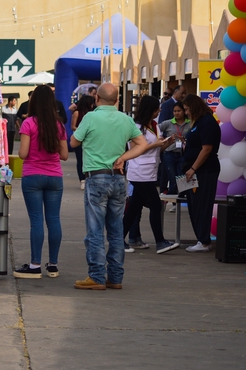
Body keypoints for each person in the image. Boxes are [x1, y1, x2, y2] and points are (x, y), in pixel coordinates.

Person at [70, 83, 149, 290]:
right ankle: (115, 277)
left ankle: (96, 276)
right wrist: (123, 156)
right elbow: (142, 144)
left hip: (96, 178)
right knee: (116, 230)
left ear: (97, 99)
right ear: (117, 100)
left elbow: (74, 143)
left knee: (95, 231)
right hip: (119, 179)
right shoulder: (125, 119)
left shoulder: (90, 118)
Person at [13, 85, 69, 279]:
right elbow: (64, 155)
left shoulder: (28, 123)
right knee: (54, 220)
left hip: (32, 177)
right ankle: (53, 265)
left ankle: (35, 265)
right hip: (54, 177)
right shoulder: (59, 125)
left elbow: (23, 154)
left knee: (36, 220)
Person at [121, 96, 180, 255]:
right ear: (149, 110)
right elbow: (135, 149)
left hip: (150, 171)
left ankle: (119, 239)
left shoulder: (155, 125)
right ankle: (160, 241)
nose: (159, 111)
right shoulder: (136, 126)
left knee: (133, 208)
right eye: (156, 109)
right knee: (155, 205)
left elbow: (156, 149)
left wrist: (166, 143)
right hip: (139, 172)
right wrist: (155, 144)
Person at [182, 94, 222, 253]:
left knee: (201, 204)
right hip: (189, 169)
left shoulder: (207, 122)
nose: (186, 113)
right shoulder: (197, 122)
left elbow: (207, 149)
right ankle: (200, 237)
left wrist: (193, 169)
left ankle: (204, 240)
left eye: (186, 109)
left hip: (203, 170)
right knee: (192, 203)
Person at [158, 101, 191, 202]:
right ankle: (173, 201)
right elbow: (156, 130)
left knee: (182, 177)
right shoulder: (168, 123)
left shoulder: (190, 123)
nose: (176, 113)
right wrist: (162, 139)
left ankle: (182, 198)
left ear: (184, 111)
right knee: (172, 177)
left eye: (179, 111)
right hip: (169, 154)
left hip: (183, 154)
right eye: (174, 111)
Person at [71, 95, 96, 191]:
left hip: (90, 139)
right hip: (80, 139)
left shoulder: (93, 113)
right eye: (91, 103)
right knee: (80, 159)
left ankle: (89, 178)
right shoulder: (77, 113)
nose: (92, 105)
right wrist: (83, 131)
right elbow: (73, 126)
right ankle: (82, 179)